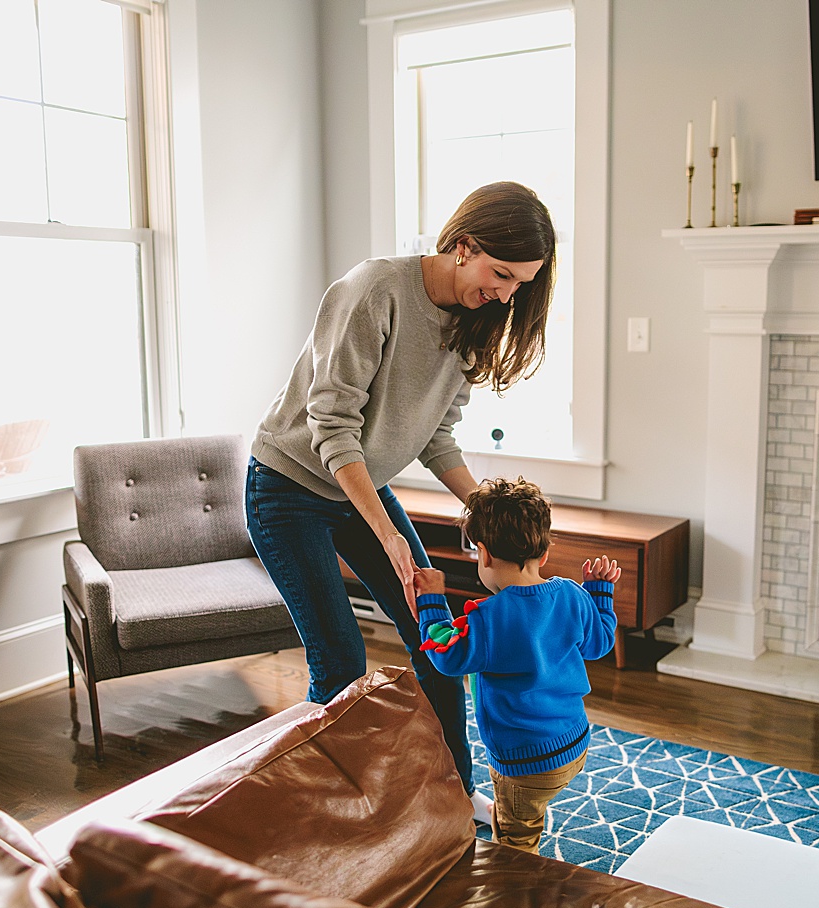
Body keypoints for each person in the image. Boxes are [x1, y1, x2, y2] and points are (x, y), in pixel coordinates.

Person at [244, 182, 558, 817]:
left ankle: (455, 792)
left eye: (520, 285)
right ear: (462, 246)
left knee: (433, 636)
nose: (506, 294)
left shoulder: (476, 316)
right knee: (339, 654)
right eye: (500, 275)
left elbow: (435, 431)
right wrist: (389, 535)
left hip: (360, 486)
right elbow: (332, 427)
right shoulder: (373, 292)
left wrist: (484, 509)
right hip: (288, 488)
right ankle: (331, 804)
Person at [413, 477, 620, 853]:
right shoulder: (573, 595)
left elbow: (447, 655)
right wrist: (600, 593)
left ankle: (518, 898)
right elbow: (600, 643)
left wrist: (430, 602)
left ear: (484, 555)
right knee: (525, 807)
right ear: (543, 554)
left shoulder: (488, 619)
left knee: (514, 842)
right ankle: (526, 808)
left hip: (523, 763)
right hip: (574, 744)